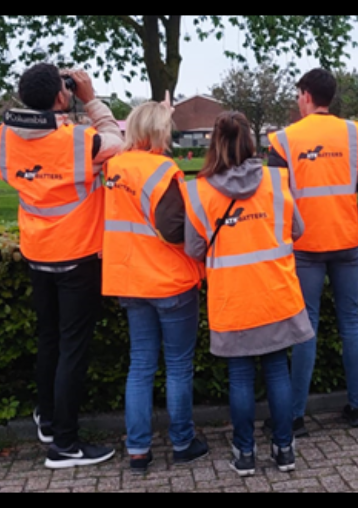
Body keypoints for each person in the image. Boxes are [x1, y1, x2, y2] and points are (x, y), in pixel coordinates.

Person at [0, 64, 122, 468]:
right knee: (72, 349)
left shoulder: (1, 139)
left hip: (36, 253)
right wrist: (91, 98)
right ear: (61, 97)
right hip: (78, 256)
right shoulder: (81, 141)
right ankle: (64, 444)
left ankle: (47, 419)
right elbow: (119, 140)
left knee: (48, 340)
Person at [183, 111, 312, 476]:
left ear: (214, 143)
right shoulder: (276, 180)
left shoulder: (199, 190)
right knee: (277, 372)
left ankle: (245, 454)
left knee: (239, 378)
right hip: (277, 293)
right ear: (251, 141)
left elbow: (194, 249)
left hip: (233, 300)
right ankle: (284, 449)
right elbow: (297, 229)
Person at [266, 68, 358, 435]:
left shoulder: (284, 140)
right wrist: (356, 232)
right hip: (347, 244)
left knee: (306, 329)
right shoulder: (357, 135)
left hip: (305, 249)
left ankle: (296, 415)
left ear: (305, 96)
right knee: (351, 324)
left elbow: (276, 200)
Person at [101, 98, 208, 475]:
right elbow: (174, 229)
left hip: (128, 280)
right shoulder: (163, 171)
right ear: (158, 132)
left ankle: (138, 451)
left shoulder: (113, 167)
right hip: (169, 283)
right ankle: (182, 442)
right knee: (178, 366)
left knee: (140, 366)